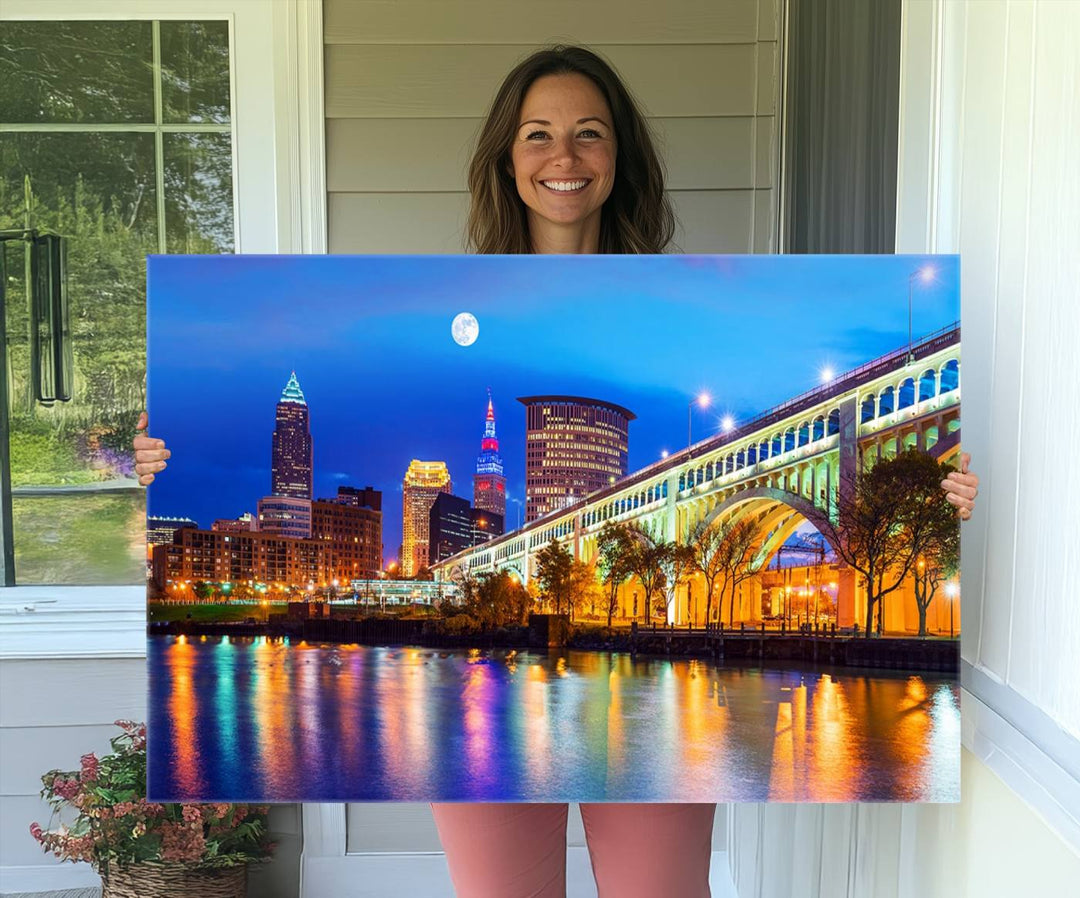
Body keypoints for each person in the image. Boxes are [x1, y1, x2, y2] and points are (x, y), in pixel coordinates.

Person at [134, 45, 979, 898]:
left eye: (589, 134)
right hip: (503, 717)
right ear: (508, 157)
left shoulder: (674, 299)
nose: (564, 157)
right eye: (538, 135)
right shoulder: (450, 294)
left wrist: (952, 503)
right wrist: (152, 463)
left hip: (639, 724)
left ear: (620, 158)